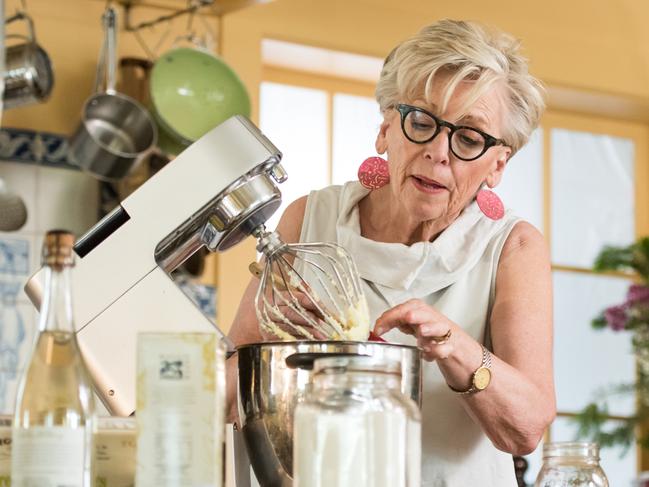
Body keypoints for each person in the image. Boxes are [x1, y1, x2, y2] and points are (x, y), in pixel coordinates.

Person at [227, 18, 555, 486]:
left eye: (468, 137)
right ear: (385, 130)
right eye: (422, 121)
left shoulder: (513, 246)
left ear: (497, 164)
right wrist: (270, 339)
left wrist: (455, 346)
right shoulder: (309, 219)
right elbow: (228, 393)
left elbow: (526, 429)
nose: (439, 152)